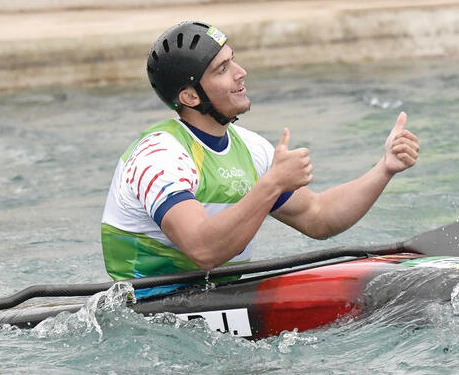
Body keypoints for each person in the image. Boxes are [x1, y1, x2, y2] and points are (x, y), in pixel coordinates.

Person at [100, 21, 419, 296]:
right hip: (147, 310)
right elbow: (203, 249)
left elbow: (319, 216)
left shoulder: (251, 148)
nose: (241, 74)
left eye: (233, 61)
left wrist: (384, 168)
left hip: (216, 297)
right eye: (222, 69)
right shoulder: (160, 155)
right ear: (191, 97)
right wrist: (272, 185)